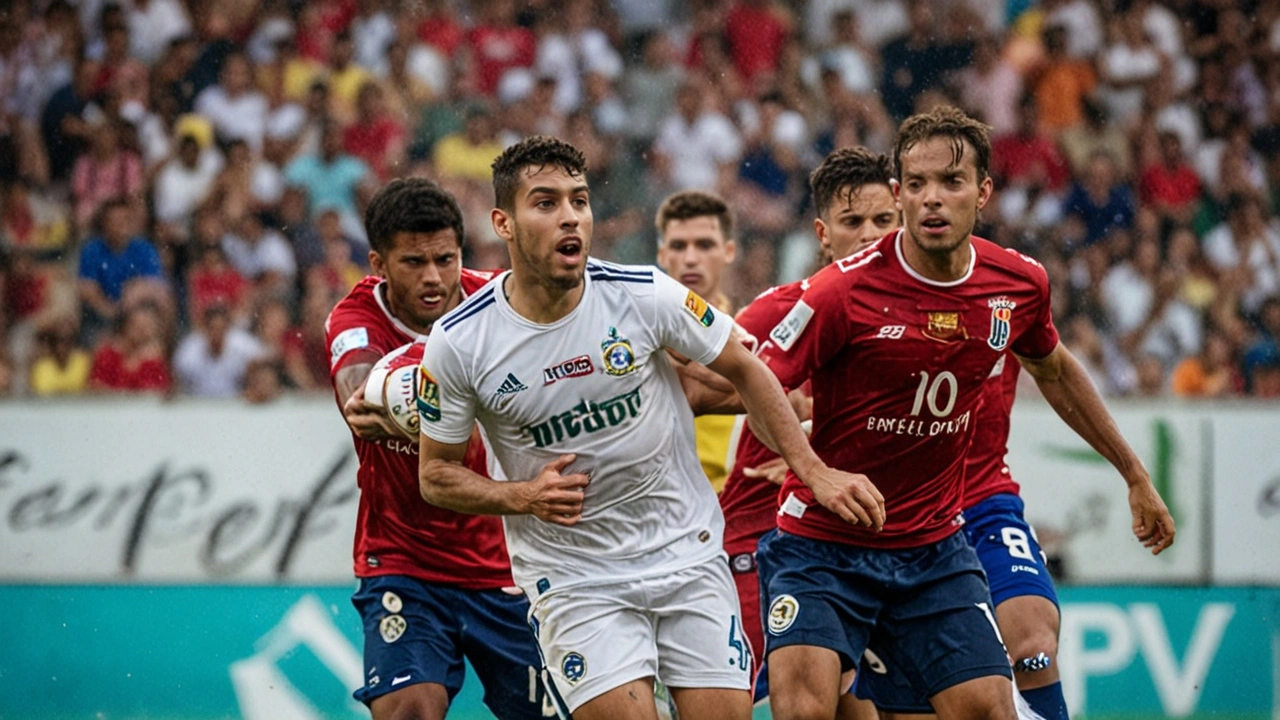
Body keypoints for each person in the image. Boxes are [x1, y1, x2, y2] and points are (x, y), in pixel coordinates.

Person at [416, 136, 881, 720]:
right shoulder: (460, 342)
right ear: (503, 223)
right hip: (576, 579)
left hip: (685, 554)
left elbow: (746, 369)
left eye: (579, 201)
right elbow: (435, 474)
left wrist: (814, 469)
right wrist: (522, 496)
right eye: (546, 203)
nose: (569, 217)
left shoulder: (645, 295)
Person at [750, 106, 1175, 720]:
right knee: (808, 712)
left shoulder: (1019, 284)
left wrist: (1134, 474)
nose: (932, 199)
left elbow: (1054, 370)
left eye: (950, 182)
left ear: (983, 193)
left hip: (932, 544)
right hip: (824, 545)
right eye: (916, 184)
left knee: (991, 705)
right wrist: (813, 470)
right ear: (900, 194)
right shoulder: (841, 291)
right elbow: (757, 379)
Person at [325, 177, 549, 720]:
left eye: (445, 259)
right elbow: (359, 394)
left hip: (508, 566)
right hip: (405, 561)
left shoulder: (498, 303)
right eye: (413, 262)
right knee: (406, 710)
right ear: (379, 262)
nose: (433, 278)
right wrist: (383, 404)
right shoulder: (356, 320)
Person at [711, 147, 898, 714]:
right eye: (852, 223)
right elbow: (698, 386)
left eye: (883, 221)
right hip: (761, 535)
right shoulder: (781, 311)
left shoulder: (922, 314)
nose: (869, 235)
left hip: (872, 534)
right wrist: (794, 436)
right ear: (822, 234)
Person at [655, 189, 738, 492]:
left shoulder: (753, 336)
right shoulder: (634, 339)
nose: (691, 258)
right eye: (678, 246)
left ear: (729, 251)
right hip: (654, 516)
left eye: (704, 245)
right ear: (662, 255)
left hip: (730, 516)